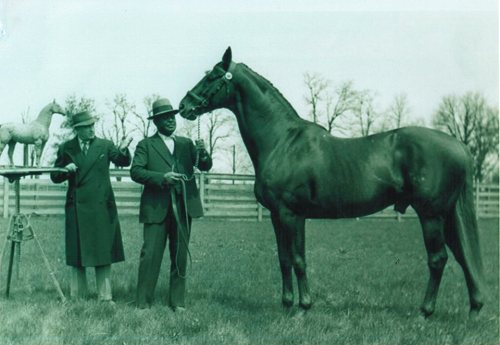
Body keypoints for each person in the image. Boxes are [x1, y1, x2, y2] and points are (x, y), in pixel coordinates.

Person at [130, 98, 212, 310]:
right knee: (150, 256)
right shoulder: (145, 145)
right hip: (156, 209)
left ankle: (177, 302)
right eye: (164, 118)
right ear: (156, 122)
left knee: (179, 256)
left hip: (184, 207)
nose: (170, 121)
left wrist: (203, 152)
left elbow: (204, 166)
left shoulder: (186, 144)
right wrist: (162, 177)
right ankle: (143, 303)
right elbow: (136, 171)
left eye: (172, 116)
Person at [50, 111, 132, 303]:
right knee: (77, 252)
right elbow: (55, 176)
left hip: (101, 207)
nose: (91, 129)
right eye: (87, 127)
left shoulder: (105, 145)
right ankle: (78, 297)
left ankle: (105, 297)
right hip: (76, 208)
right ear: (78, 130)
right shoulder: (66, 148)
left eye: (93, 125)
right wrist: (65, 170)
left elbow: (123, 161)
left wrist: (124, 149)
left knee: (102, 251)